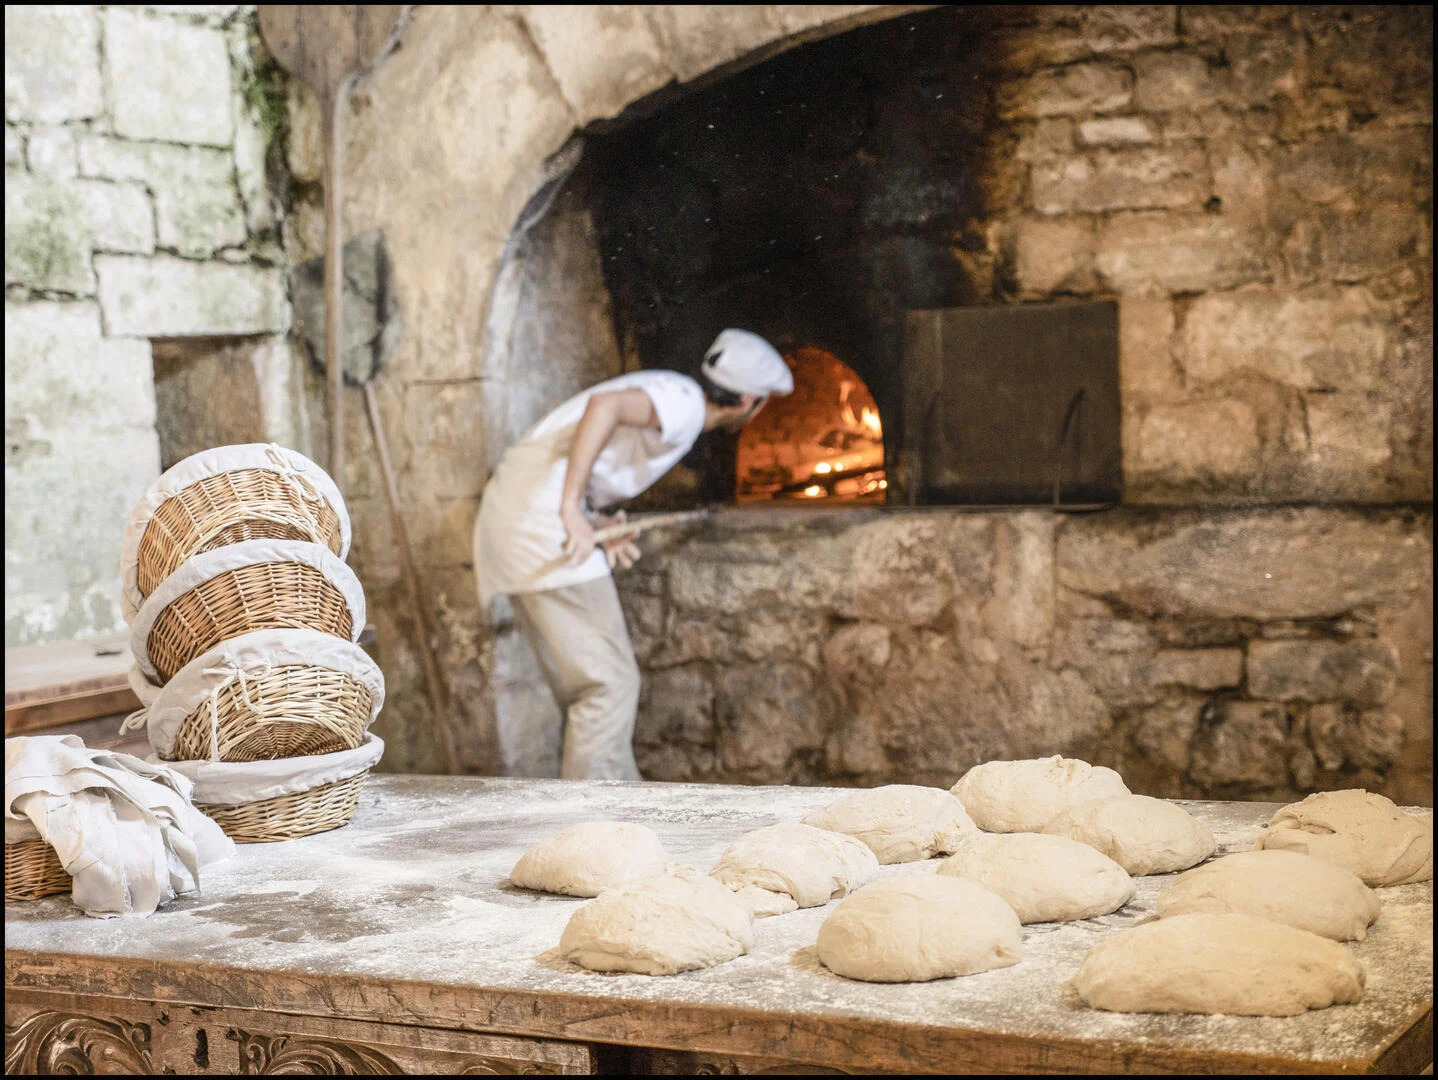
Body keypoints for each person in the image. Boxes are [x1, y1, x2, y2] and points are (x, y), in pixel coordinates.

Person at [473, 329, 794, 780]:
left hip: (524, 521)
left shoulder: (673, 390)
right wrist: (570, 509)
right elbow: (603, 409)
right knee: (607, 686)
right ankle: (597, 818)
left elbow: (580, 446)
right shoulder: (683, 404)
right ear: (747, 402)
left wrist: (595, 520)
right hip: (540, 526)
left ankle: (615, 807)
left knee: (593, 689)